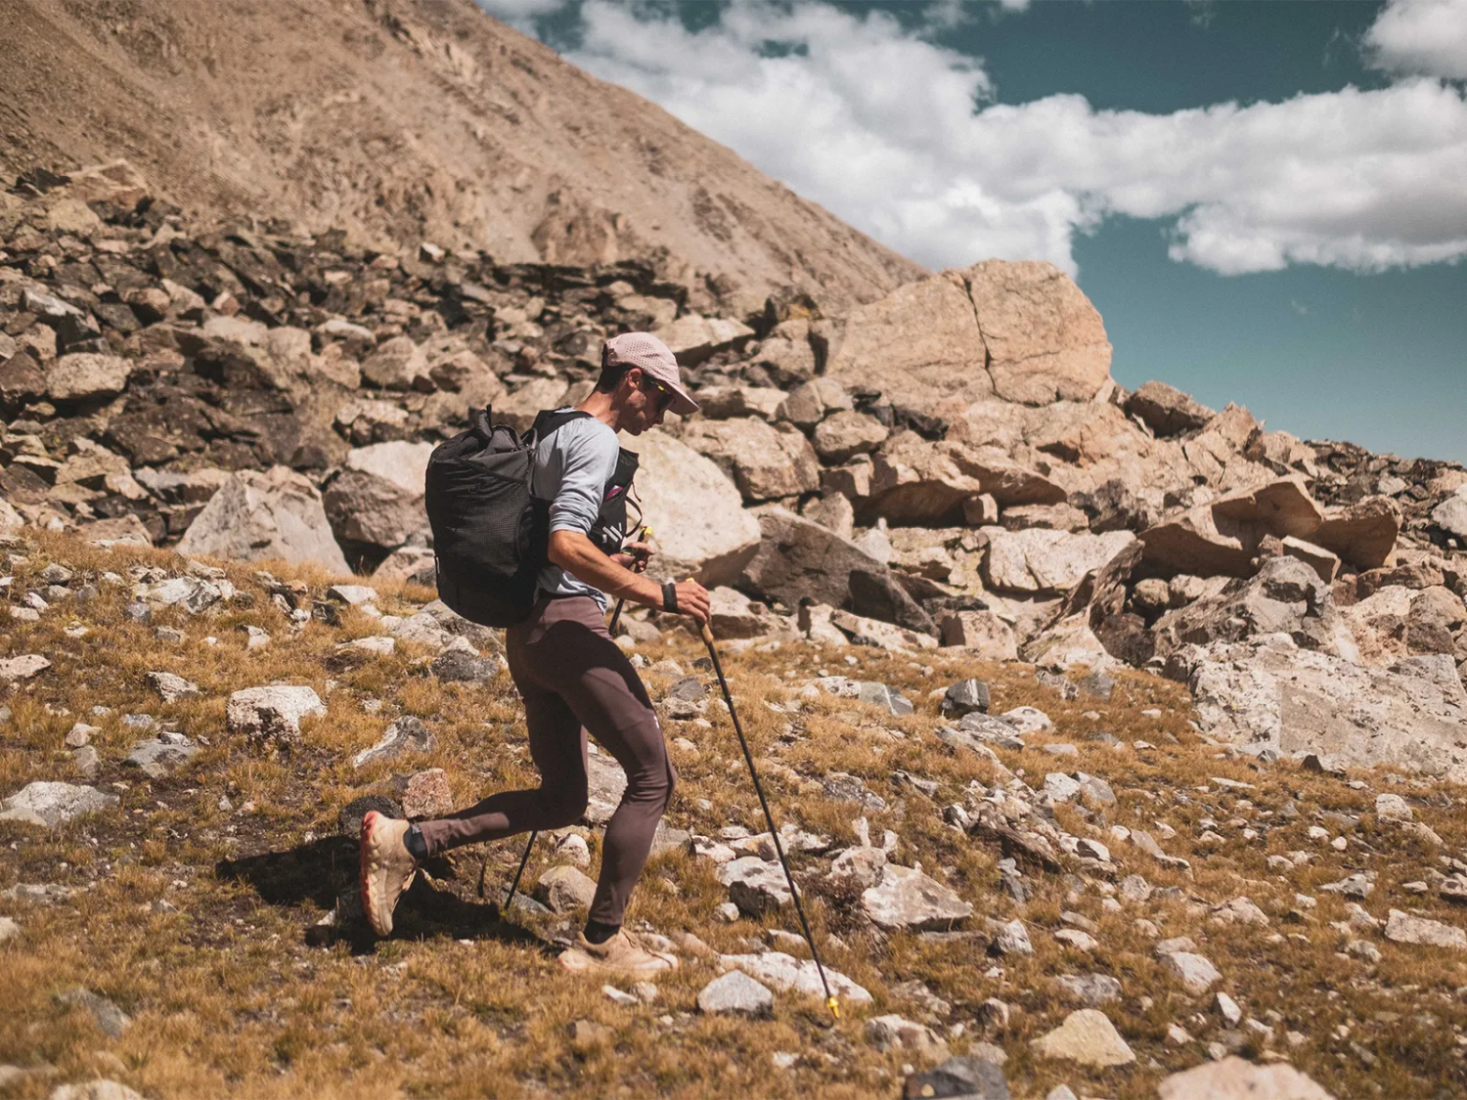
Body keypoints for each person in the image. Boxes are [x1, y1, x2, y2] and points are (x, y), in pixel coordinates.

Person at [360, 332, 711, 975]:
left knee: (563, 799)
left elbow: (560, 539)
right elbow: (563, 545)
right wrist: (657, 591)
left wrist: (613, 560)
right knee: (653, 777)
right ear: (632, 379)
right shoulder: (599, 440)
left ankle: (406, 842)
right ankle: (604, 942)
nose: (662, 415)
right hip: (568, 628)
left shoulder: (554, 427)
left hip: (528, 632)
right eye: (661, 398)